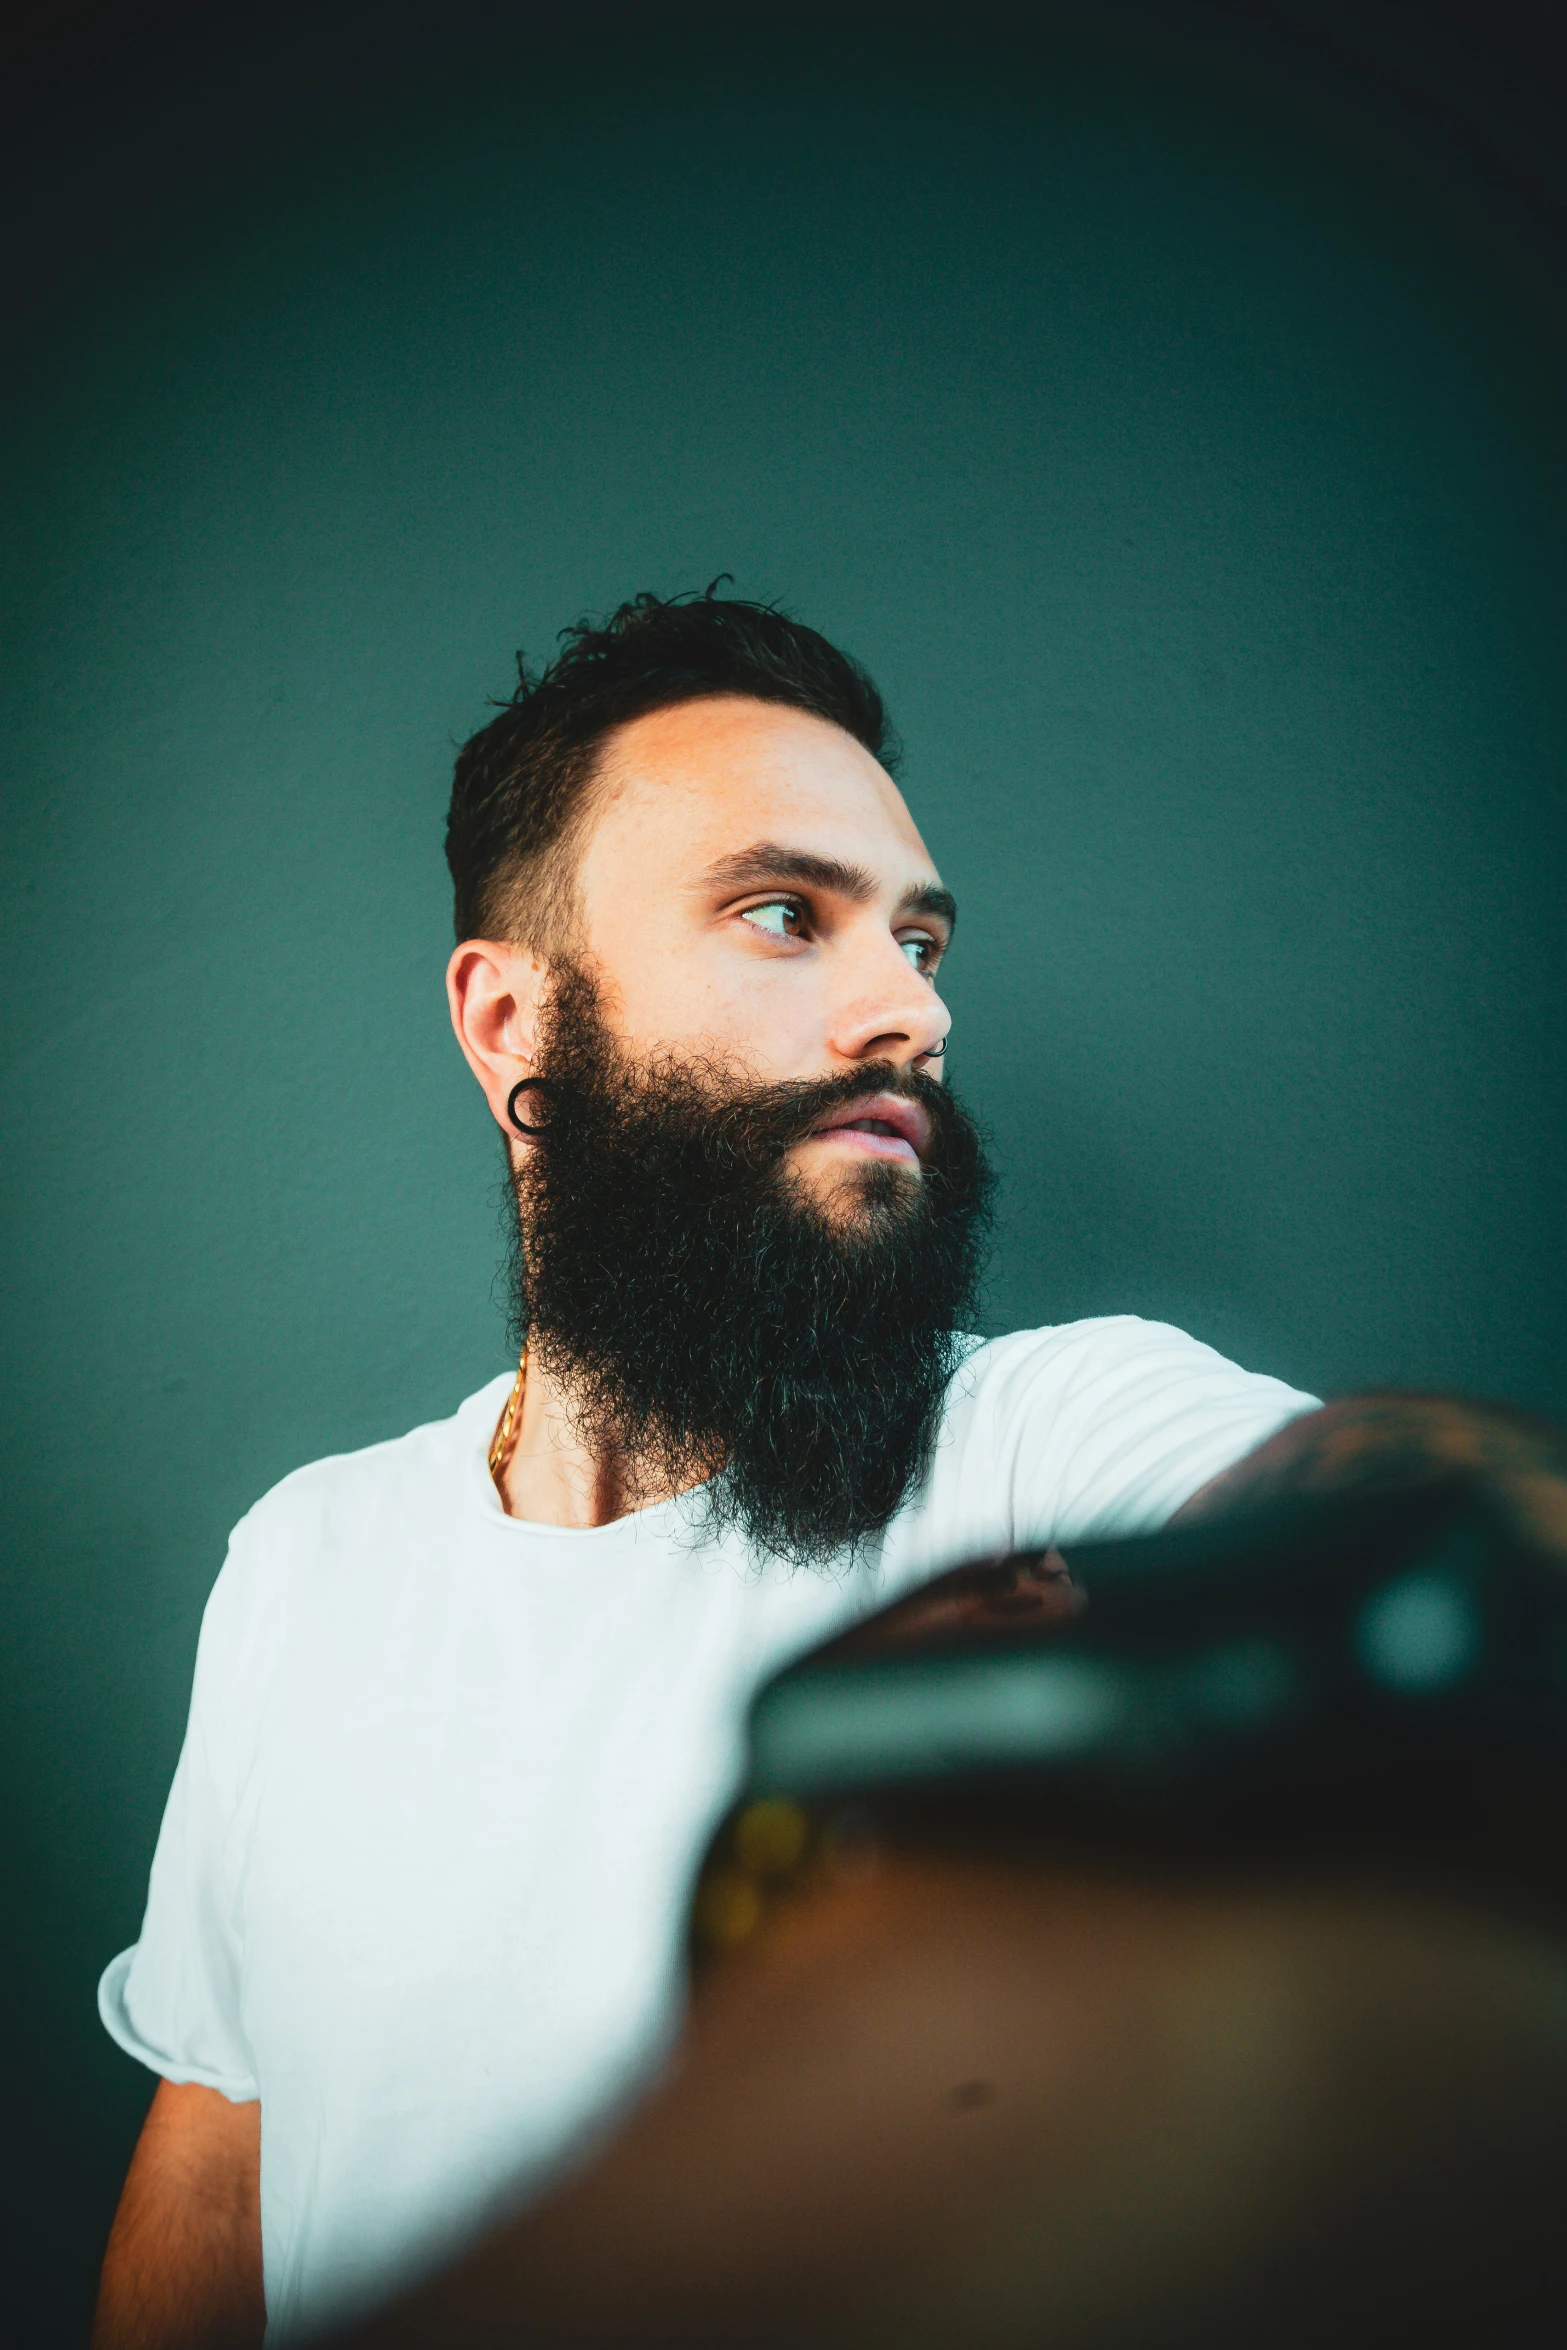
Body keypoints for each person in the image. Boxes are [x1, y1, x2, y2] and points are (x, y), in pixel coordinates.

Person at [88, 590, 1562, 2349]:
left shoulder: (1043, 1447)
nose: (908, 1015)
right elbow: (218, 2156)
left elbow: (1441, 1522)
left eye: (920, 944)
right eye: (785, 915)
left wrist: (1420, 1564)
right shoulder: (301, 1560)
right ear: (512, 1023)